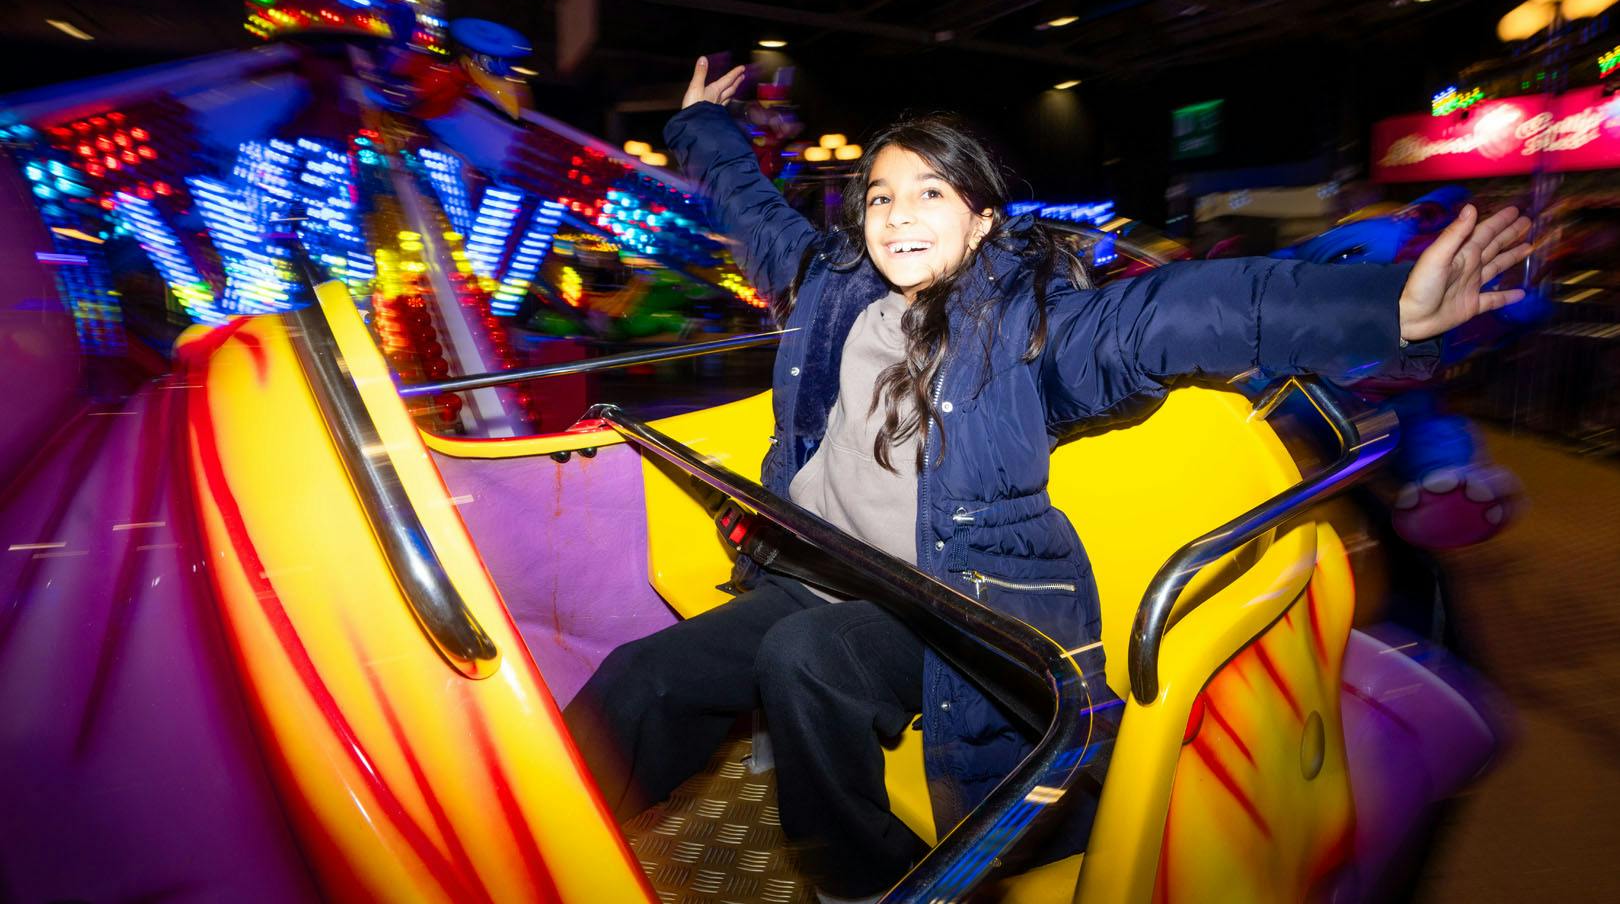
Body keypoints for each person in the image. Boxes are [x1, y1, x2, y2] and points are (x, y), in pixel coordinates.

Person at [563, 58, 1532, 900]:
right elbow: (756, 211)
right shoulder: (835, 286)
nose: (900, 213)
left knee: (807, 663)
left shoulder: (1032, 326)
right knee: (645, 680)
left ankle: (864, 885)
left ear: (983, 220)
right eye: (882, 195)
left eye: (931, 193)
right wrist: (699, 128)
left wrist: (1383, 308)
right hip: (810, 571)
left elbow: (1174, 314)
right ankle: (541, 837)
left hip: (949, 611)